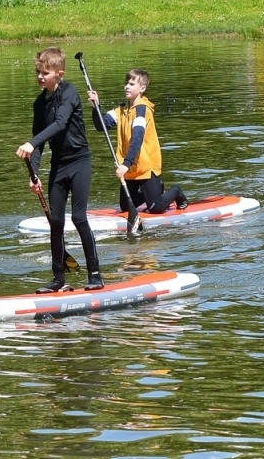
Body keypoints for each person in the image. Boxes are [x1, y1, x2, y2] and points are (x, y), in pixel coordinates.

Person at [16, 47, 104, 292]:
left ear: (59, 73)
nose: (40, 77)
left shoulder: (69, 92)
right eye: (38, 72)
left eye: (45, 73)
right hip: (59, 165)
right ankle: (58, 280)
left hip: (79, 162)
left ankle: (95, 275)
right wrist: (33, 175)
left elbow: (60, 123)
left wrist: (30, 143)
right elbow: (38, 142)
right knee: (56, 222)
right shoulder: (39, 104)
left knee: (78, 218)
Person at [87, 68, 188, 230]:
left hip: (146, 166)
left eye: (132, 84)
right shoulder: (121, 110)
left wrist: (126, 164)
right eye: (126, 83)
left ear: (142, 88)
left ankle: (176, 191)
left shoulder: (142, 110)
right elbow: (101, 126)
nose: (127, 86)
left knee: (155, 208)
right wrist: (95, 107)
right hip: (130, 167)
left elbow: (137, 138)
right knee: (125, 206)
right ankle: (157, 191)